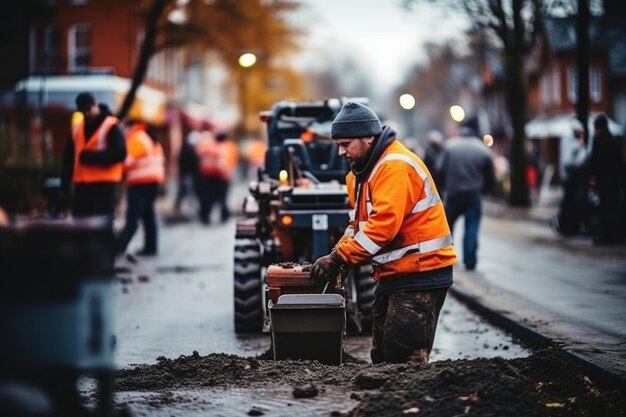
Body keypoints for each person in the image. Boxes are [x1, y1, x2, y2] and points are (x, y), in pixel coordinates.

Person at [310, 101, 457, 364]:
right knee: (382, 356)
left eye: (346, 144)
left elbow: (382, 227)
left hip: (420, 273)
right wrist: (338, 253)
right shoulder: (361, 174)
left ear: (368, 137)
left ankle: (411, 404)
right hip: (397, 275)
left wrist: (338, 259)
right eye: (338, 146)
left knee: (403, 359)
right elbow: (357, 226)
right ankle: (392, 403)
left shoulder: (394, 166)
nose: (341, 152)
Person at [437, 117, 495, 271]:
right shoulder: (483, 149)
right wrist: (486, 191)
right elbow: (490, 175)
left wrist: (441, 189)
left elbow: (440, 170)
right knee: (472, 227)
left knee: (447, 228)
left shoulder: (450, 146)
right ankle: (470, 261)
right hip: (474, 194)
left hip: (454, 193)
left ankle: (445, 257)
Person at [61, 92, 126, 222]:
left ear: (96, 105)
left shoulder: (111, 125)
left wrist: (92, 157)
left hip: (103, 187)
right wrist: (64, 187)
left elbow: (120, 153)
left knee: (101, 227)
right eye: (82, 111)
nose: (86, 114)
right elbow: (68, 159)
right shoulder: (77, 129)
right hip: (82, 187)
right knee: (81, 227)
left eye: (88, 109)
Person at [116, 120, 165, 256]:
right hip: (152, 182)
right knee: (148, 215)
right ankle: (151, 247)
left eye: (124, 127)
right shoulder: (148, 138)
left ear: (130, 126)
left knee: (133, 216)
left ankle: (119, 247)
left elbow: (127, 162)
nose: (123, 131)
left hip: (140, 182)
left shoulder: (136, 139)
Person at [589, 113, 625, 244]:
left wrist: (592, 179)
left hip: (603, 182)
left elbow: (593, 163)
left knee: (603, 209)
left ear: (599, 127)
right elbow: (620, 163)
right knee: (613, 208)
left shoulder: (597, 141)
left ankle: (604, 236)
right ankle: (614, 236)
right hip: (615, 182)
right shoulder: (615, 141)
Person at [555, 119, 589, 236]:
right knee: (570, 203)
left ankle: (568, 225)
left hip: (571, 177)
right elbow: (570, 161)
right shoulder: (571, 143)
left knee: (570, 202)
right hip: (571, 177)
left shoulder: (570, 142)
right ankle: (567, 225)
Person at [173, 130, 199, 217]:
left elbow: (180, 161)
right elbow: (193, 163)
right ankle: (191, 209)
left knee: (182, 192)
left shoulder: (184, 148)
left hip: (184, 174)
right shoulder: (190, 149)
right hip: (189, 174)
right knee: (190, 192)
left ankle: (177, 207)